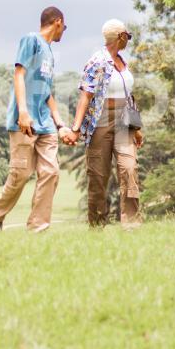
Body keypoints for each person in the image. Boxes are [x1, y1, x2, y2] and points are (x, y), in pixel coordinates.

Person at [0, 7, 71, 233]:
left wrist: (60, 123)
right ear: (58, 22)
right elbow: (19, 74)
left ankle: (37, 228)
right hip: (25, 122)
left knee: (51, 173)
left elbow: (47, 91)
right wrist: (23, 111)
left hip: (46, 123)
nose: (64, 31)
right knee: (20, 174)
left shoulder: (50, 53)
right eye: (64, 27)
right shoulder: (31, 40)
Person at [64, 19, 143, 229]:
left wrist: (136, 130)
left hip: (124, 123)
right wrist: (75, 129)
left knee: (129, 169)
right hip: (100, 124)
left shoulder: (123, 62)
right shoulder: (97, 61)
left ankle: (133, 225)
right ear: (121, 37)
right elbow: (85, 96)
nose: (128, 40)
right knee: (98, 178)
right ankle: (97, 226)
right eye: (127, 36)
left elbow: (129, 96)